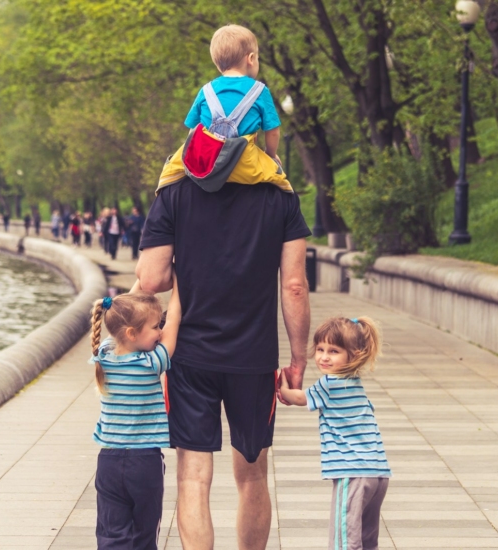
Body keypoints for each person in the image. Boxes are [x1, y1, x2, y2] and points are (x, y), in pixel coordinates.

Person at [136, 130, 311, 548]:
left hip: (189, 356)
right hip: (255, 357)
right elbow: (294, 287)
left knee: (193, 477)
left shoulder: (176, 191)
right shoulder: (280, 194)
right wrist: (299, 358)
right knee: (252, 474)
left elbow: (151, 279)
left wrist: (188, 271)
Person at [279, 317, 391, 550]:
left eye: (334, 351)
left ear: (354, 354)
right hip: (378, 473)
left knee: (344, 539)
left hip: (352, 473)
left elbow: (300, 398)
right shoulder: (354, 383)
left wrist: (282, 388)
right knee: (367, 539)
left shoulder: (330, 383)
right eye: (320, 349)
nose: (324, 357)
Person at [89, 274, 182, 550]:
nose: (160, 331)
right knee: (144, 533)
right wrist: (180, 284)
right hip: (145, 462)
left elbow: (119, 316)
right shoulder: (151, 364)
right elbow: (175, 320)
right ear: (132, 333)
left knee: (111, 532)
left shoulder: (105, 355)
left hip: (108, 461)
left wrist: (144, 279)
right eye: (155, 327)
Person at [184, 25, 281, 159]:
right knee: (281, 180)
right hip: (247, 165)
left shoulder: (206, 91)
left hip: (210, 165)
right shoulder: (260, 91)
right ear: (251, 59)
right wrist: (271, 156)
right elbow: (273, 132)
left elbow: (193, 132)